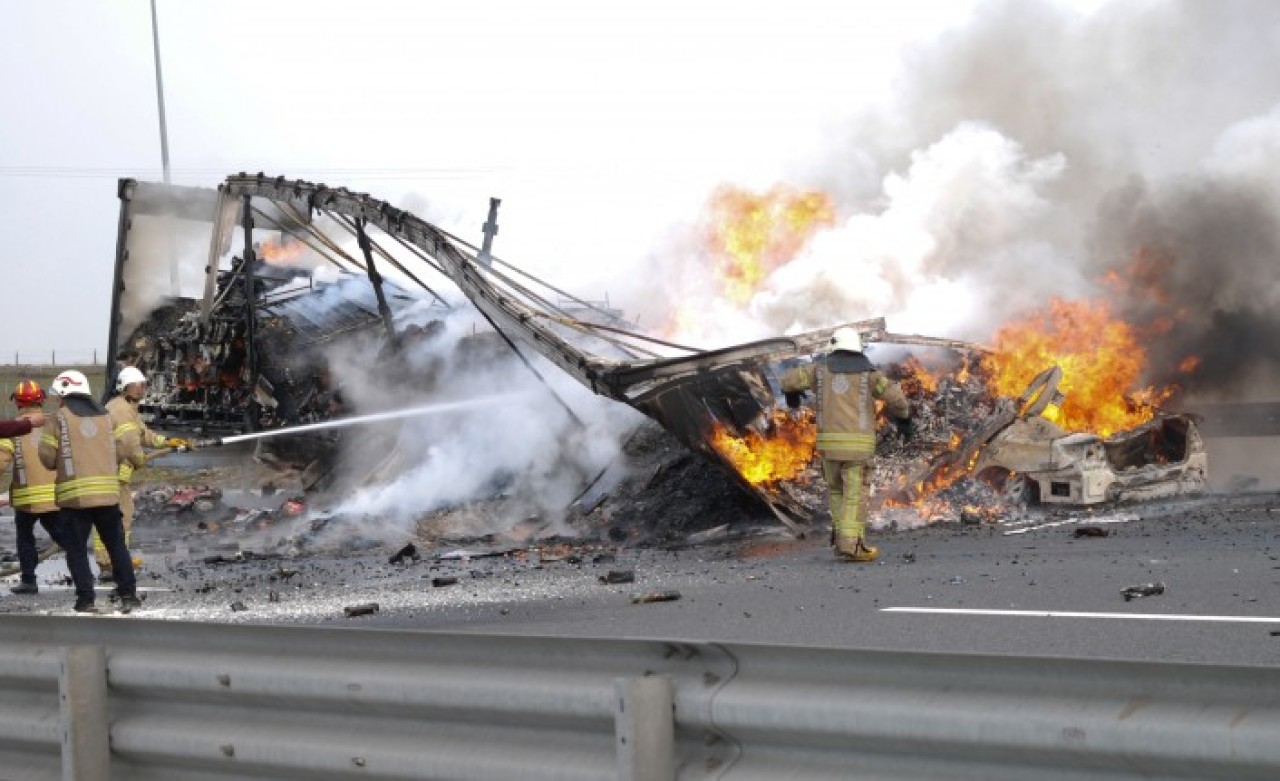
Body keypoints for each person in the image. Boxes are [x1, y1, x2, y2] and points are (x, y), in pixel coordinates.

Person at [781, 327, 911, 562]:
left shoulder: (818, 372)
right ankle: (851, 546)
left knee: (836, 492)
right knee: (855, 495)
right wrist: (904, 419)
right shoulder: (870, 375)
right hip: (857, 450)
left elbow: (789, 380)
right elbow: (897, 399)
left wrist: (790, 394)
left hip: (828, 448)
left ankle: (842, 539)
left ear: (834, 347)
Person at [37, 370, 145, 613]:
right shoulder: (107, 416)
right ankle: (128, 595)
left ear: (65, 392)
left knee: (76, 551)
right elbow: (127, 444)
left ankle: (86, 599)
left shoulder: (59, 418)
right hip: (108, 496)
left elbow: (47, 458)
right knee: (116, 546)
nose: (57, 400)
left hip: (75, 500)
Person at [97, 366, 188, 578]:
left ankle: (116, 560)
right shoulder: (120, 409)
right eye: (134, 385)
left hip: (116, 476)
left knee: (119, 519)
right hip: (112, 476)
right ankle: (110, 564)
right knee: (116, 520)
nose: (139, 389)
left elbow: (143, 434)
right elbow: (130, 442)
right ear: (123, 387)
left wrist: (167, 442)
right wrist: (138, 459)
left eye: (141, 385)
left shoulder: (127, 408)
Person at [0, 381, 64, 594]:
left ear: (17, 402)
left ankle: (29, 580)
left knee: (25, 538)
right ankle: (82, 575)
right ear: (41, 399)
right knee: (64, 536)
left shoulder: (14, 428)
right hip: (55, 495)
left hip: (27, 498)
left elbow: (2, 461)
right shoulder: (53, 423)